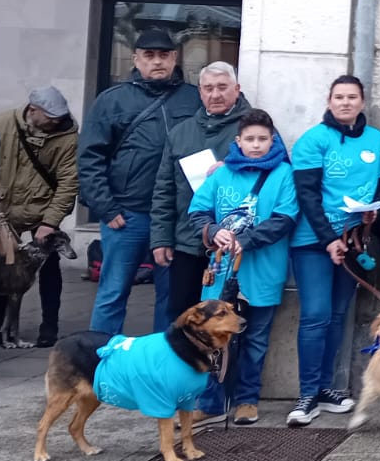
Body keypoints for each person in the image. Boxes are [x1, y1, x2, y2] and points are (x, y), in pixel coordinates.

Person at [286, 75, 380, 426]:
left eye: (352, 97)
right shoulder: (313, 139)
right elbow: (306, 193)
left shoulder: (376, 139)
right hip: (313, 241)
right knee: (315, 315)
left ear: (362, 102)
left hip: (355, 239)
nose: (345, 103)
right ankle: (306, 394)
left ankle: (325, 388)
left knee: (337, 315)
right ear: (329, 100)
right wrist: (327, 238)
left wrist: (377, 210)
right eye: (339, 97)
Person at [79, 27, 201, 336]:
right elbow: (90, 158)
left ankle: (163, 367)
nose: (157, 62)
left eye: (164, 55)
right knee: (112, 293)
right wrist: (106, 208)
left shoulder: (195, 97)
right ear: (136, 58)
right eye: (149, 55)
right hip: (126, 215)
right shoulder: (111, 100)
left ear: (174, 58)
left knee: (171, 299)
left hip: (176, 218)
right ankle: (100, 364)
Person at [185, 108, 296, 425]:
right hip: (221, 273)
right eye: (250, 139)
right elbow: (198, 213)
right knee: (214, 337)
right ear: (238, 141)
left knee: (257, 339)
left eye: (263, 139)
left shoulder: (284, 175)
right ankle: (211, 401)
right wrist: (213, 231)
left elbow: (284, 220)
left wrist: (245, 240)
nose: (257, 144)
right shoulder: (221, 174)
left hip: (262, 270)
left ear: (272, 140)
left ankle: (247, 400)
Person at [151, 62, 251, 334]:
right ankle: (177, 375)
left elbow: (276, 171)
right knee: (181, 316)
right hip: (186, 240)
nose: (215, 95)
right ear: (200, 92)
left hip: (233, 245)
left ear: (237, 89)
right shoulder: (181, 132)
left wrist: (235, 166)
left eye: (222, 87)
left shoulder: (253, 127)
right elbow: (164, 189)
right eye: (208, 88)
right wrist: (160, 238)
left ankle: (221, 377)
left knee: (226, 319)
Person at [0, 87, 78, 348]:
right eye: (50, 117)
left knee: (49, 267)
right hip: (4, 208)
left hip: (43, 208)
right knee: (1, 266)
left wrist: (50, 222)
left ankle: (49, 325)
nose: (55, 121)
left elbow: (68, 182)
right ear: (33, 110)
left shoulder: (67, 136)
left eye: (59, 117)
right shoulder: (2, 123)